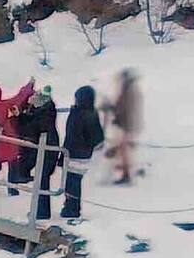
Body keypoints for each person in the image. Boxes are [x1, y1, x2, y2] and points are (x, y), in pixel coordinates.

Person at [62, 86, 106, 219]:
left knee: (72, 182)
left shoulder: (79, 114)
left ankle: (72, 208)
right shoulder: (92, 112)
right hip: (84, 154)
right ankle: (72, 206)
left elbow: (72, 134)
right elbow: (99, 137)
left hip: (75, 153)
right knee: (74, 181)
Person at [18, 89, 61, 219]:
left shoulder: (43, 115)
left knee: (42, 179)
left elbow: (31, 128)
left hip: (47, 149)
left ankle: (42, 212)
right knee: (42, 178)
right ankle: (41, 211)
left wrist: (21, 117)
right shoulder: (47, 110)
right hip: (49, 146)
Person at [13, 86, 58, 185]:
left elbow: (39, 125)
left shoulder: (45, 110)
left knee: (40, 164)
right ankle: (23, 175)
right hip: (37, 139)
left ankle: (24, 176)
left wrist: (22, 118)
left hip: (42, 140)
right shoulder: (37, 109)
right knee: (30, 158)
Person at [109, 69, 142, 185]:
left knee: (124, 149)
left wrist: (118, 115)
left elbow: (125, 106)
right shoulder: (130, 88)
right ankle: (124, 167)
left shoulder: (128, 90)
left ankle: (126, 173)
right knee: (124, 147)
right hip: (129, 123)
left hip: (128, 124)